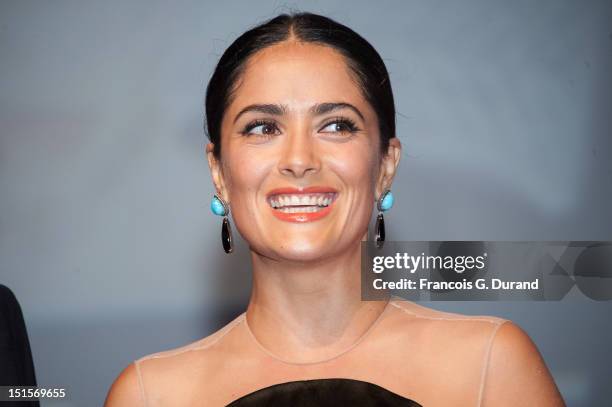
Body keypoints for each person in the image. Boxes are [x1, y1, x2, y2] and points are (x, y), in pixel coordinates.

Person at [104, 12, 565, 406]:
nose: (300, 160)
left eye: (337, 125)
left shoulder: (489, 364)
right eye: (263, 128)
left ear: (386, 164)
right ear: (219, 171)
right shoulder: (151, 393)